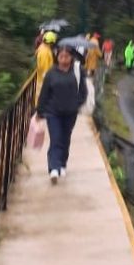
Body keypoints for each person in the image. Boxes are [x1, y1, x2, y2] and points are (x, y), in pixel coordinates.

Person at [36, 46, 87, 184]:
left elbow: (83, 91)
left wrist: (77, 103)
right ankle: (53, 168)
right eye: (61, 56)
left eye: (66, 56)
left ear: (71, 58)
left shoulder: (77, 71)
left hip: (70, 113)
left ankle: (62, 164)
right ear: (57, 57)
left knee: (65, 139)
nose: (64, 59)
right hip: (54, 113)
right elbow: (44, 94)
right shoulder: (51, 74)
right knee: (56, 139)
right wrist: (40, 111)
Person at [34, 31, 57, 103]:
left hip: (42, 81)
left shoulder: (44, 48)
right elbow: (45, 70)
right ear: (51, 42)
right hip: (44, 83)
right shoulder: (44, 52)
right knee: (42, 101)